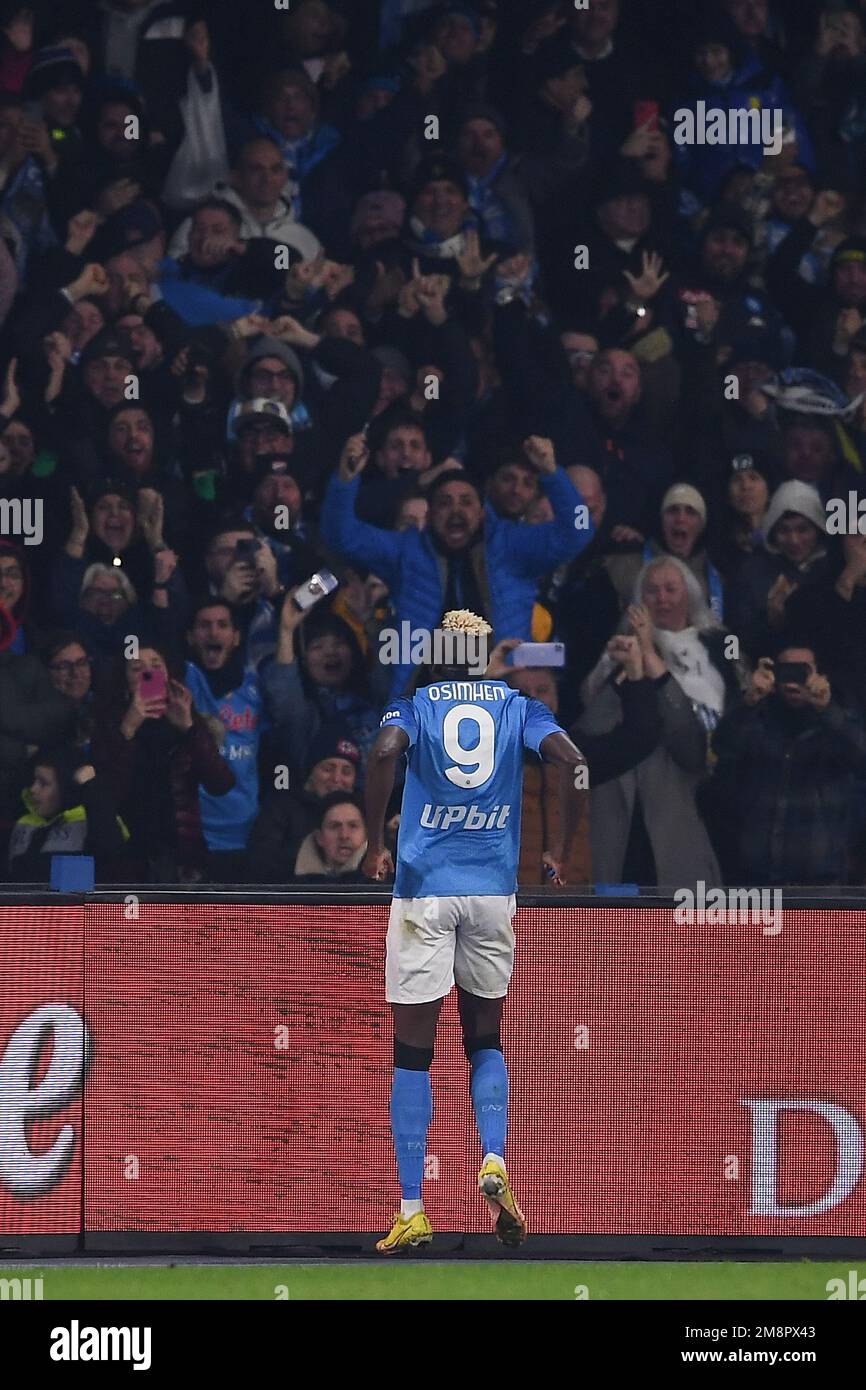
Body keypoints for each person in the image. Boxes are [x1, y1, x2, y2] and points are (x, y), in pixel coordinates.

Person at [362, 611, 588, 1253]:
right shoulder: (518, 705)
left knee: (414, 1053)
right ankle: (494, 1159)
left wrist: (376, 842)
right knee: (484, 1037)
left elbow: (383, 752)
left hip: (424, 891)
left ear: (435, 655)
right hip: (492, 892)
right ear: (486, 656)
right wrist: (558, 850)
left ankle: (412, 1208)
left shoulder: (414, 704)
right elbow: (572, 760)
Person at [709, 644, 866, 885]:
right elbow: (723, 745)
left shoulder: (839, 718)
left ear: (819, 675)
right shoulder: (757, 718)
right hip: (755, 878)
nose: (793, 680)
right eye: (786, 670)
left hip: (819, 879)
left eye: (802, 670)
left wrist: (826, 708)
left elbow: (860, 753)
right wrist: (750, 700)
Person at [7, 745, 127, 883]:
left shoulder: (95, 819)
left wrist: (93, 791)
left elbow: (111, 861)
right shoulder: (24, 822)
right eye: (33, 781)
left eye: (43, 783)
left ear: (65, 789)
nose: (33, 789)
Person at [293, 791, 368, 882]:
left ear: (366, 834)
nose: (344, 835)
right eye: (335, 826)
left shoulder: (384, 882)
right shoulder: (295, 885)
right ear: (319, 837)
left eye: (353, 826)